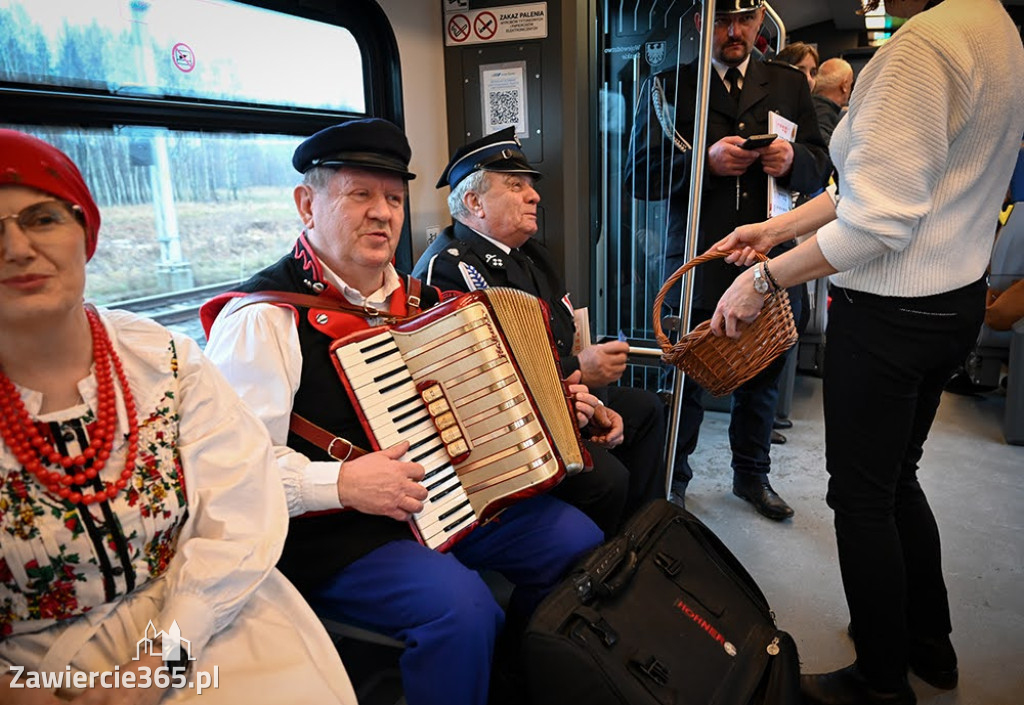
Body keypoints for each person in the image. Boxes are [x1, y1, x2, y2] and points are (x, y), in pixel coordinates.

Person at [201, 118, 603, 705]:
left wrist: (554, 405)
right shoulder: (263, 318)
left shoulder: (426, 303)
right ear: (306, 204)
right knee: (461, 612)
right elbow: (230, 472)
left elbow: (486, 397)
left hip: (448, 498)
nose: (383, 213)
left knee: (577, 542)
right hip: (338, 532)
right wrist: (340, 482)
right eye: (359, 194)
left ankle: (510, 675)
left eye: (393, 197)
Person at [709, 0, 1024, 702]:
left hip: (891, 312)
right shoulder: (997, 28)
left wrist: (762, 279)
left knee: (859, 500)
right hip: (953, 303)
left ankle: (881, 680)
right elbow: (863, 191)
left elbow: (875, 224)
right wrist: (775, 230)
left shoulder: (923, 49)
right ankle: (927, 644)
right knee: (895, 478)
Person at [0, 130, 357, 704]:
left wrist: (161, 660)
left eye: (42, 219)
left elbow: (237, 508)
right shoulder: (261, 315)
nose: (17, 248)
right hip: (30, 665)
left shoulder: (162, 360)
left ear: (82, 232)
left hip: (200, 611)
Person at [627, 0, 830, 519]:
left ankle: (751, 477)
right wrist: (704, 163)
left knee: (762, 374)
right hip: (699, 254)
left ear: (760, 21)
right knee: (686, 377)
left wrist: (792, 162)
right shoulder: (667, 86)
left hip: (770, 255)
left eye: (744, 20)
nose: (734, 32)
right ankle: (674, 478)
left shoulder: (787, 85)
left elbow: (822, 168)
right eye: (722, 20)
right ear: (701, 22)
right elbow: (637, 175)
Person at [414, 128, 668, 530]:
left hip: (560, 395)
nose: (534, 196)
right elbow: (472, 382)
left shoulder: (533, 256)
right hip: (505, 424)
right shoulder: (447, 268)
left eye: (530, 186)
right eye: (516, 186)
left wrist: (594, 400)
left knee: (650, 410)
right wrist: (580, 369)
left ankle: (648, 534)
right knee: (607, 479)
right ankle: (595, 569)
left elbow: (563, 335)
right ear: (474, 202)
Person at [811, 58, 854, 144]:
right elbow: (823, 149)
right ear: (844, 85)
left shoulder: (811, 105)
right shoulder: (825, 114)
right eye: (850, 84)